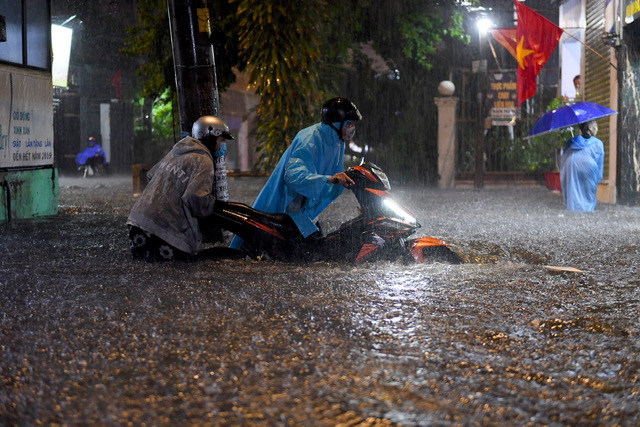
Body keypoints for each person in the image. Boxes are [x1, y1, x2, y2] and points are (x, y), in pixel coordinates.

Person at [230, 97, 362, 250]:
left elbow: (335, 172)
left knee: (317, 253)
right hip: (287, 209)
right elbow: (293, 176)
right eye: (349, 123)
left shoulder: (337, 141)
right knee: (302, 255)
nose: (352, 128)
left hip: (304, 211)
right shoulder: (309, 139)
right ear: (337, 123)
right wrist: (329, 179)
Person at [127, 116, 234, 261]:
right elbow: (196, 198)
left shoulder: (177, 151)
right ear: (210, 136)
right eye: (221, 141)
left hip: (137, 223)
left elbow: (152, 175)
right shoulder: (203, 160)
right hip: (163, 231)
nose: (220, 147)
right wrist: (211, 207)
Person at [560, 120, 604, 212]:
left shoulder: (572, 142)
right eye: (595, 126)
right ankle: (588, 208)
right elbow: (599, 163)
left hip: (571, 163)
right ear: (590, 128)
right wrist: (597, 178)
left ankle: (573, 206)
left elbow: (564, 157)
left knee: (573, 185)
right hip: (589, 164)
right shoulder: (598, 143)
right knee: (589, 188)